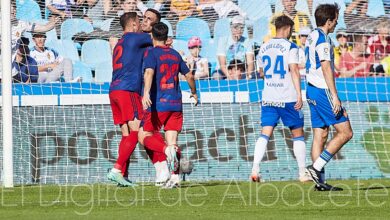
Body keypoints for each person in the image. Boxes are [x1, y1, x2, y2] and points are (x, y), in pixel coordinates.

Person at [250, 15, 309, 183]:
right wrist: (299, 93)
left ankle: (255, 169)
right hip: (288, 96)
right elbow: (294, 70)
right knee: (297, 133)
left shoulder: (264, 46)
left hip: (269, 96)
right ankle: (302, 173)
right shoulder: (291, 46)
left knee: (265, 133)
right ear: (288, 28)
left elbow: (261, 72)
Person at [140, 22, 198, 188]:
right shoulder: (175, 54)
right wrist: (194, 92)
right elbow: (189, 76)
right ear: (166, 37)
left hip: (158, 104)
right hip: (176, 104)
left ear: (152, 36)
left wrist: (145, 93)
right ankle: (175, 178)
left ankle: (166, 151)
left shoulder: (151, 53)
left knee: (144, 135)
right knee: (173, 141)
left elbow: (149, 72)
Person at [305, 4, 353, 191]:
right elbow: (325, 67)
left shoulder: (311, 36)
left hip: (310, 89)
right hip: (322, 89)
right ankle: (315, 168)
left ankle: (320, 183)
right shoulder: (324, 39)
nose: (337, 22)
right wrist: (335, 96)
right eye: (335, 19)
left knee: (321, 134)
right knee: (346, 132)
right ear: (329, 20)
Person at [106, 12, 153, 187]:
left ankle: (122, 176)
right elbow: (156, 37)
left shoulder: (119, 43)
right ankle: (117, 169)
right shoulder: (135, 37)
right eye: (140, 22)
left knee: (126, 135)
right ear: (133, 24)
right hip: (128, 90)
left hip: (114, 90)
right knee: (136, 132)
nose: (141, 25)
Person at [215, 15, 254, 80]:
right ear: (231, 27)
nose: (239, 30)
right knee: (216, 76)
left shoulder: (247, 41)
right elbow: (222, 65)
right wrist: (230, 77)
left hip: (240, 71)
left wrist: (248, 76)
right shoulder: (223, 40)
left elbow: (250, 63)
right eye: (236, 27)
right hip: (224, 71)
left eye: (241, 27)